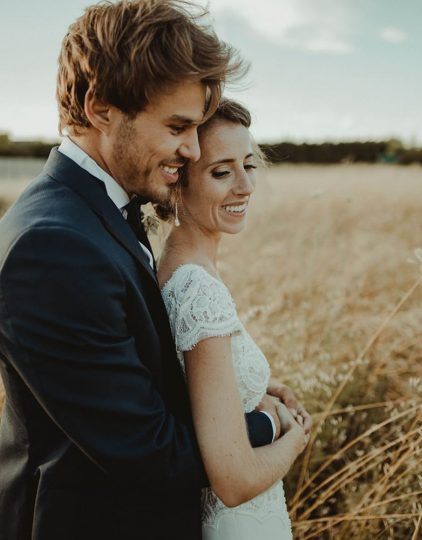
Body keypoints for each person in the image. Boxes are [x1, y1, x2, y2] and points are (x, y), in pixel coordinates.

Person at [0, 1, 309, 538]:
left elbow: (136, 377)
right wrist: (268, 423)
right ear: (101, 107)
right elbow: (148, 452)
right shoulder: (51, 248)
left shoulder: (97, 213)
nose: (192, 148)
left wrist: (239, 392)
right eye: (178, 125)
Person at [156, 99, 310, 539]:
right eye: (222, 172)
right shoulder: (195, 286)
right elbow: (233, 481)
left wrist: (256, 390)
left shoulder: (183, 267)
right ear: (177, 181)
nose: (245, 186)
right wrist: (293, 435)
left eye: (249, 164)